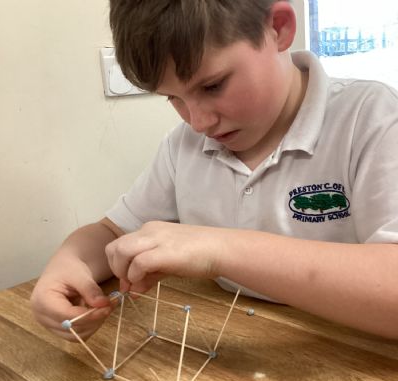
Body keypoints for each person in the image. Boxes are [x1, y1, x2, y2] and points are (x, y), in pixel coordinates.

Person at [31, 0, 398, 341]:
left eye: (213, 86)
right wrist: (68, 265)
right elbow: (112, 231)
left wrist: (218, 248)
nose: (198, 122)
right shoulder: (184, 146)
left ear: (278, 28)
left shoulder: (371, 119)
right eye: (173, 98)